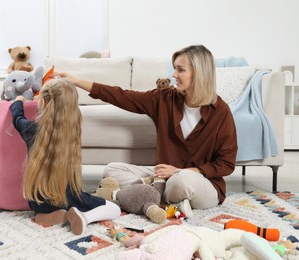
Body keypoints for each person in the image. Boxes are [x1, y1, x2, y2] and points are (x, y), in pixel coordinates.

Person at [53, 45, 238, 218]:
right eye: (174, 68)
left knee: (181, 182)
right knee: (112, 170)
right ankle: (158, 199)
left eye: (180, 70)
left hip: (199, 183)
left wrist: (181, 171)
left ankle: (138, 196)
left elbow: (226, 163)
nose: (174, 74)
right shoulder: (164, 99)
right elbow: (123, 96)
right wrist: (77, 82)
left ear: (199, 73)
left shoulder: (220, 111)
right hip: (163, 177)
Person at [10, 78, 121, 235]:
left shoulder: (31, 129)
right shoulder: (71, 134)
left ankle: (46, 216)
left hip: (37, 202)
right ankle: (84, 217)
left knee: (52, 206)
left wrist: (18, 101)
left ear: (42, 102)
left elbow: (17, 118)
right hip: (66, 199)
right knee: (114, 209)